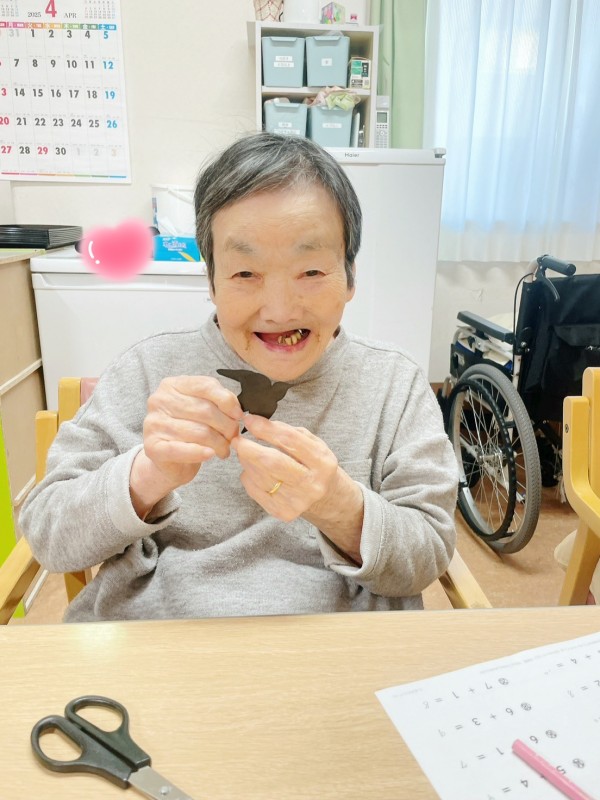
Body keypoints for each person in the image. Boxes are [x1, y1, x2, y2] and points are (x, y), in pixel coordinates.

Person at [20, 132, 458, 622]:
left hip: (339, 647)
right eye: (246, 274)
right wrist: (148, 474)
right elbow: (48, 537)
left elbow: (427, 557)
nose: (279, 309)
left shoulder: (393, 384)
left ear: (350, 276)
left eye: (311, 272)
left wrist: (340, 506)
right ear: (211, 281)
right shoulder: (147, 370)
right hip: (160, 642)